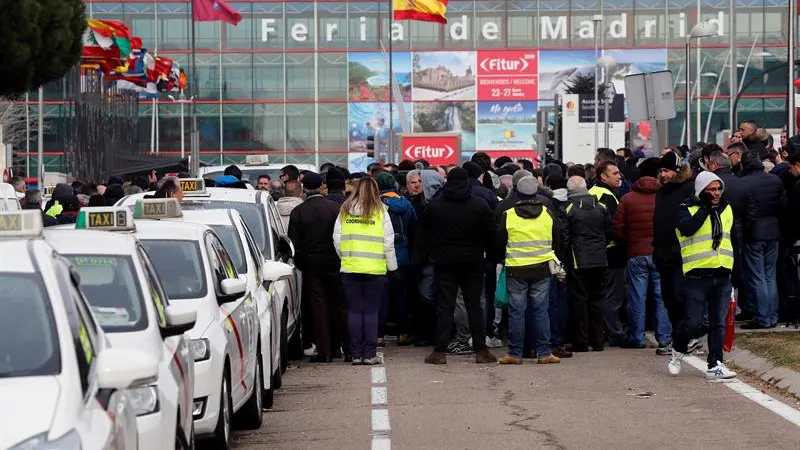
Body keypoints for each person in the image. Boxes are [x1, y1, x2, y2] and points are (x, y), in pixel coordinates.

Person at [422, 168, 497, 365]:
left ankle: (439, 352)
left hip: (445, 262)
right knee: (474, 306)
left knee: (445, 307)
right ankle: (481, 350)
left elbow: (425, 233)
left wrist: (433, 253)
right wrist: (487, 254)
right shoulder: (479, 205)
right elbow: (491, 233)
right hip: (473, 261)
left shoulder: (435, 205)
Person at [668, 172, 737, 380]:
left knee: (718, 322)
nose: (716, 194)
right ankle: (677, 350)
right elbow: (688, 229)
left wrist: (737, 270)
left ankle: (715, 364)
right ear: (701, 191)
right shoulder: (685, 209)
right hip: (697, 275)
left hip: (722, 273)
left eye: (718, 189)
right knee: (693, 322)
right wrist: (705, 209)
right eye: (711, 190)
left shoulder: (726, 208)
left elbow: (732, 238)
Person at [496, 176, 562, 365]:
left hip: (516, 269)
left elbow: (499, 241)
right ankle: (544, 352)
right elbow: (557, 240)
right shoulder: (548, 213)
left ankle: (515, 354)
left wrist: (505, 258)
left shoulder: (508, 214)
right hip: (542, 268)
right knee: (541, 311)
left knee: (517, 312)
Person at [333, 177, 398, 365]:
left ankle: (355, 353)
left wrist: (345, 257)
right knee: (370, 312)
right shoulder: (381, 212)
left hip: (350, 267)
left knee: (354, 311)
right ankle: (369, 354)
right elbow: (388, 243)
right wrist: (392, 267)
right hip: (375, 269)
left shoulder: (345, 210)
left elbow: (337, 238)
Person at [614, 158, 672, 353]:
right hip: (659, 253)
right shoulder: (664, 197)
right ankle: (664, 336)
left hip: (636, 253)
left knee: (637, 296)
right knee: (661, 297)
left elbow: (618, 228)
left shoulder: (627, 199)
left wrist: (628, 245)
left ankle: (637, 336)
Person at [289, 172, 348, 363]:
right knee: (338, 303)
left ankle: (324, 351)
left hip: (311, 263)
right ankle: (340, 346)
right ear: (322, 186)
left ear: (303, 188)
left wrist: (300, 262)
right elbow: (342, 236)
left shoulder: (298, 212)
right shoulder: (335, 208)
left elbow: (293, 243)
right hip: (334, 261)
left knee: (318, 306)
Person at [652, 151, 702, 353]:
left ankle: (689, 337)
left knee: (681, 296)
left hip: (682, 254)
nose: (663, 175)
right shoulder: (662, 192)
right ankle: (679, 338)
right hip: (663, 254)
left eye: (666, 171)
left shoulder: (689, 190)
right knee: (668, 298)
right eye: (661, 171)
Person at [737, 151, 784, 329]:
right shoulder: (774, 180)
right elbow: (781, 204)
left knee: (758, 277)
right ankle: (772, 316)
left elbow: (744, 212)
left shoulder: (744, 183)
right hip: (774, 231)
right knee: (770, 276)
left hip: (754, 234)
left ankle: (763, 317)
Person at [564, 176, 611, 352]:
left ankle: (581, 342)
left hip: (578, 260)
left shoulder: (568, 208)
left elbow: (564, 236)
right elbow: (609, 231)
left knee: (579, 301)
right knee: (597, 299)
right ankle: (598, 341)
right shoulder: (601, 207)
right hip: (600, 258)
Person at [376, 172, 416, 346]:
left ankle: (379, 335)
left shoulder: (375, 204)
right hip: (402, 255)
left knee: (381, 297)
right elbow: (414, 227)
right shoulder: (405, 203)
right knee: (401, 296)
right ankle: (403, 333)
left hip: (380, 256)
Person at [589, 160, 626, 346]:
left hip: (594, 252)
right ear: (603, 176)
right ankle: (615, 332)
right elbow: (613, 227)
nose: (620, 176)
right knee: (612, 296)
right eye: (615, 174)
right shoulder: (607, 197)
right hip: (611, 252)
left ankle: (601, 331)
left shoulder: (591, 192)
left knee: (599, 295)